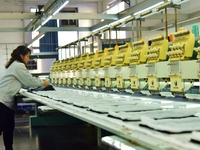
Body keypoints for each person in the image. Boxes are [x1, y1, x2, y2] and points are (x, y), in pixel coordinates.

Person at [0, 45, 50, 150]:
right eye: (27, 56)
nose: (28, 59)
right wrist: (43, 83)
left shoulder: (15, 65)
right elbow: (29, 81)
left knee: (9, 128)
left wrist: (37, 84)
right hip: (2, 101)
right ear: (21, 56)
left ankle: (9, 148)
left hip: (6, 102)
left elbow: (25, 83)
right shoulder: (18, 66)